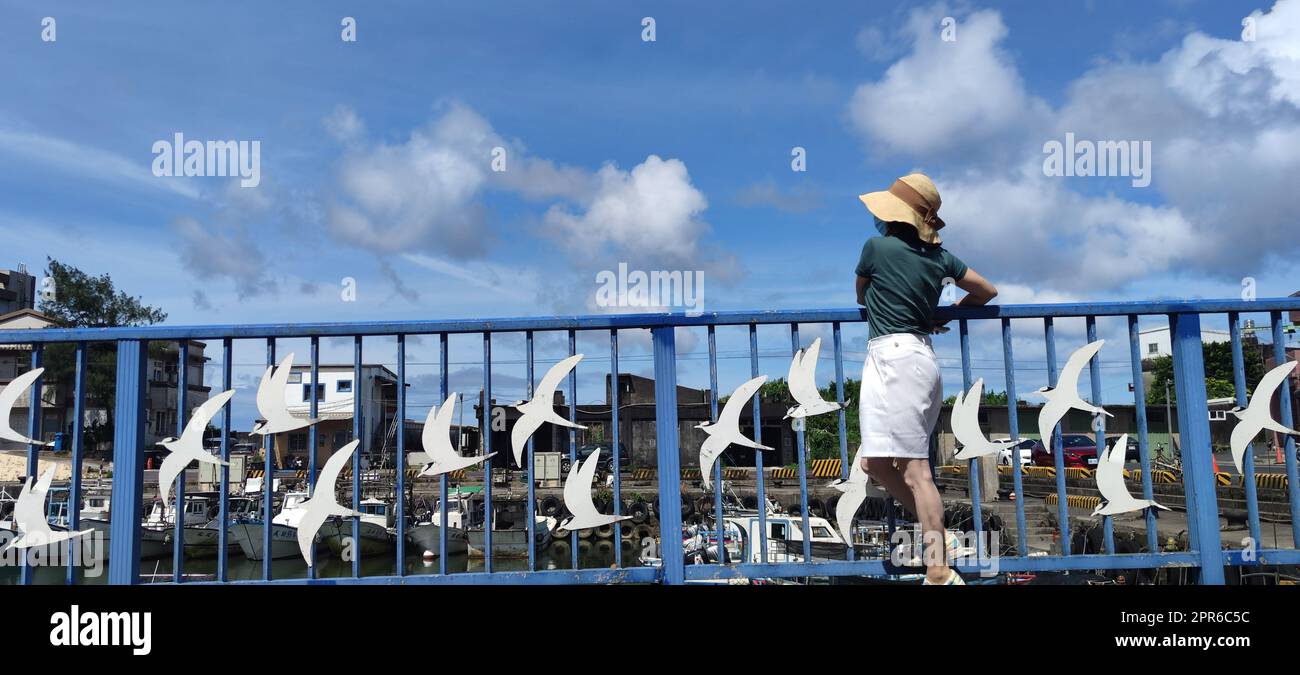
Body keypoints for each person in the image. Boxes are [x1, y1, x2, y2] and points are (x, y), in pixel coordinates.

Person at [854, 173, 998, 585]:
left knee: (916, 472)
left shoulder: (876, 248)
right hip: (916, 356)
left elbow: (861, 295)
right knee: (876, 463)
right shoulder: (941, 259)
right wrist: (939, 312)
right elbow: (986, 290)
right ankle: (941, 537)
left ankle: (938, 570)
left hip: (893, 359)